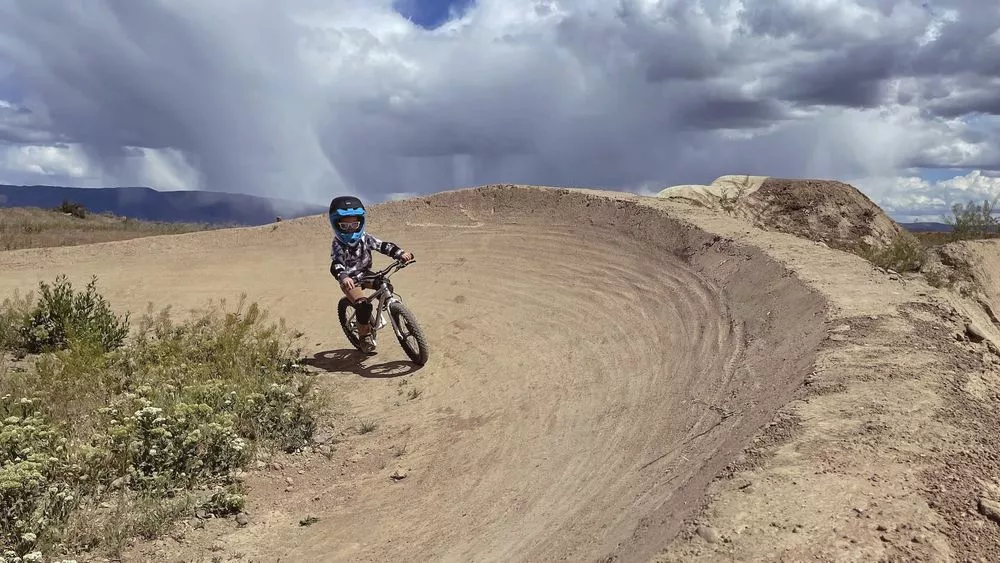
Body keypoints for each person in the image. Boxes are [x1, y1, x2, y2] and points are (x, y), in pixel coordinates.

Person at [329, 195, 413, 353]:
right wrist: (343, 276)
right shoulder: (338, 244)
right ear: (336, 224)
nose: (351, 229)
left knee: (386, 285)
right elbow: (336, 264)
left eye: (354, 224)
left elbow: (383, 246)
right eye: (345, 226)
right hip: (350, 280)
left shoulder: (365, 238)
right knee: (363, 305)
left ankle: (386, 310)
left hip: (365, 274)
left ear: (360, 222)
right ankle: (364, 336)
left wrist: (400, 253)